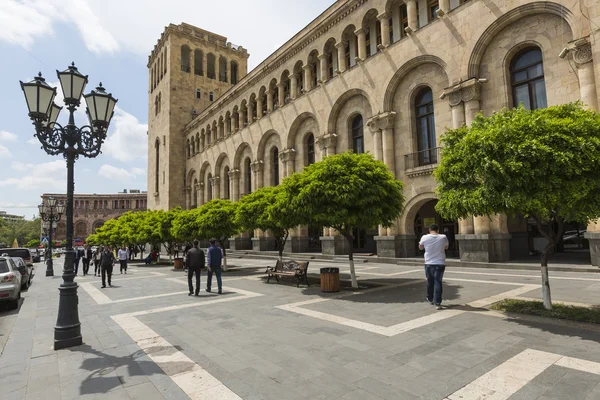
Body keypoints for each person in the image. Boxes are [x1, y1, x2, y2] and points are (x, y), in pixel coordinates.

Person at [419, 224, 449, 310]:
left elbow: (420, 248)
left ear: (429, 230)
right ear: (438, 230)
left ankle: (430, 298)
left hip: (428, 263)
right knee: (438, 282)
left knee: (430, 281)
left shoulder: (424, 237)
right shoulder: (443, 237)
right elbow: (446, 247)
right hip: (440, 263)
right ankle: (438, 303)